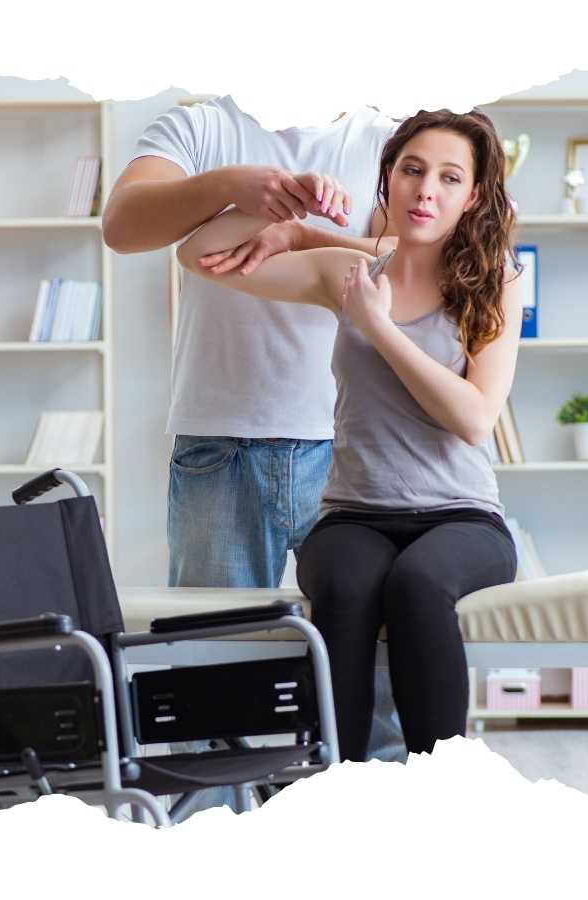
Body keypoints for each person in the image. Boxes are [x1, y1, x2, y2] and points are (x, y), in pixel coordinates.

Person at [176, 108, 522, 761]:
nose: (426, 190)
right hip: (356, 516)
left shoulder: (496, 281)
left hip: (463, 519)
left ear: (472, 196)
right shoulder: (351, 273)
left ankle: (440, 789)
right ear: (385, 177)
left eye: (450, 178)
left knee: (417, 585)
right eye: (413, 170)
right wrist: (285, 205)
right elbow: (198, 254)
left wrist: (380, 326)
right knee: (346, 584)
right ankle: (340, 783)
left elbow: (474, 418)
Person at [103, 96, 407, 772]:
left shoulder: (384, 137)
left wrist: (304, 234)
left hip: (352, 448)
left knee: (375, 678)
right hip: (220, 444)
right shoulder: (200, 125)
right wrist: (236, 186)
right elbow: (121, 226)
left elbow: (417, 257)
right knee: (209, 676)